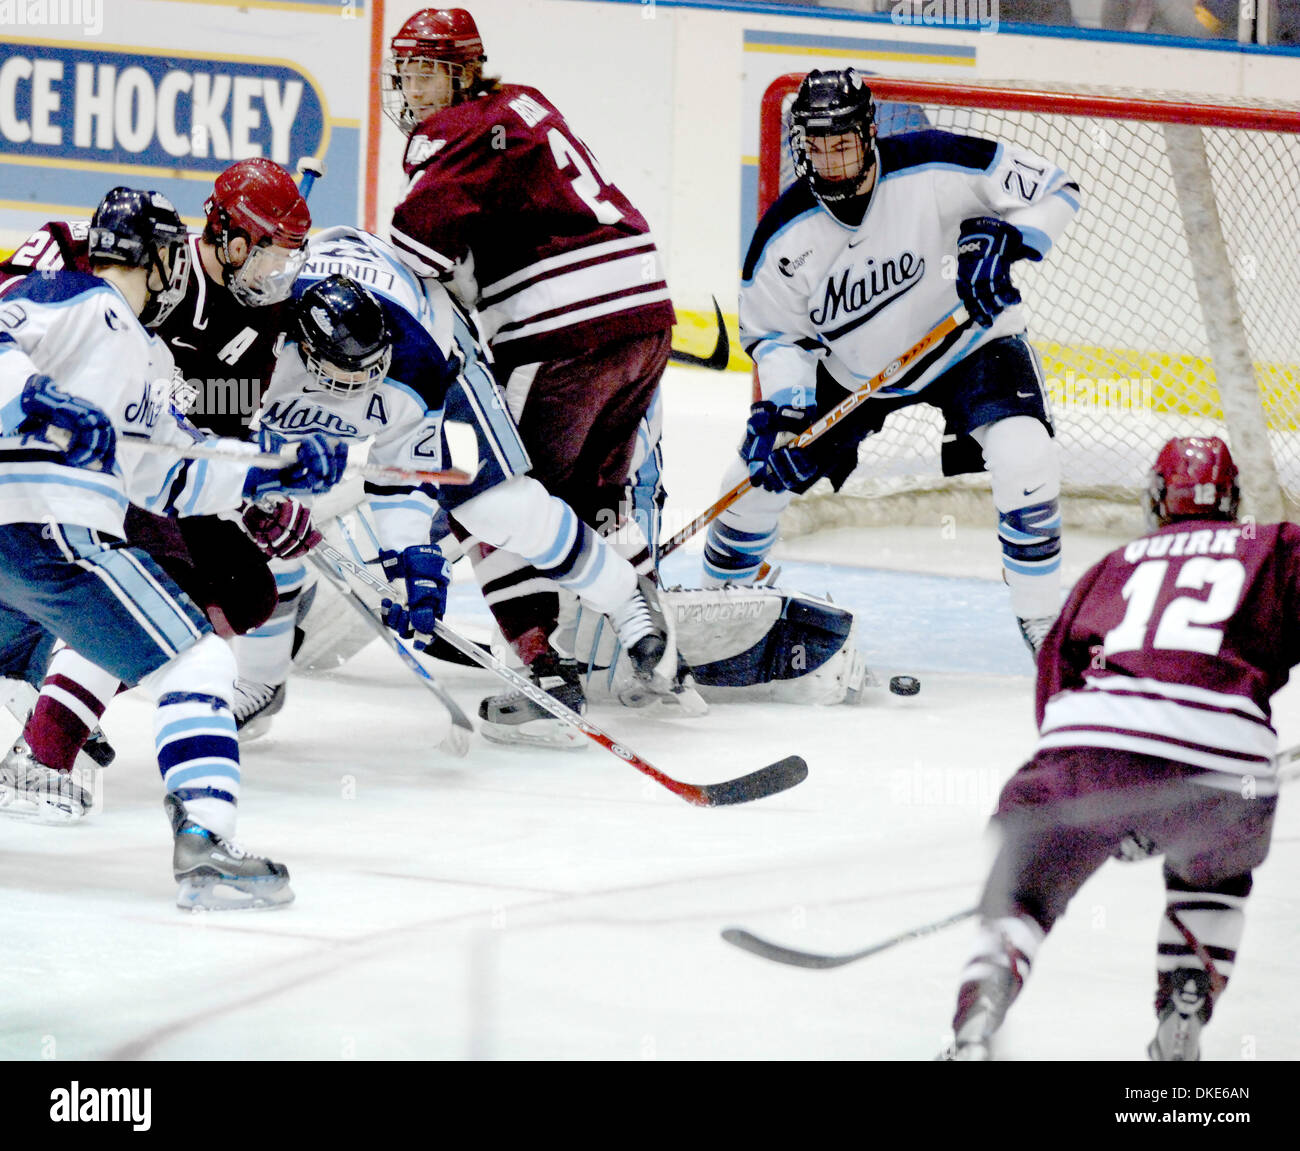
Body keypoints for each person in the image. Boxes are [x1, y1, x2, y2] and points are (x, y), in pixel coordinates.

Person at [0, 186, 346, 910]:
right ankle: (205, 845)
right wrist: (37, 399)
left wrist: (275, 475)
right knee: (200, 658)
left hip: (38, 549)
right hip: (49, 525)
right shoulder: (71, 297)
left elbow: (174, 469)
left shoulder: (150, 361)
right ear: (157, 259)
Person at [705, 68, 1080, 656]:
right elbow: (778, 338)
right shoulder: (783, 237)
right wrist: (783, 410)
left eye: (844, 144)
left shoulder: (935, 161)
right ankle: (717, 613)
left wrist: (1009, 242)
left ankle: (1041, 624)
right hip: (854, 371)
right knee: (750, 481)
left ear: (869, 132)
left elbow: (1056, 189)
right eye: (818, 147)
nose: (832, 161)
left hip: (968, 344)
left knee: (1024, 452)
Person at [382, 7, 685, 736]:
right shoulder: (525, 103)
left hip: (563, 332)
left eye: (425, 72)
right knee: (589, 497)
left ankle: (539, 660)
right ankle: (655, 644)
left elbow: (414, 251)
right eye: (407, 73)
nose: (412, 90)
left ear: (460, 72)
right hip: (646, 320)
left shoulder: (450, 133)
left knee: (488, 494)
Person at [940, 435, 1292, 1060]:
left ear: (1157, 501)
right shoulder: (1276, 545)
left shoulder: (1113, 565)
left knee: (1024, 897)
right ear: (1233, 500)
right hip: (1229, 769)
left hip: (1090, 753)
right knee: (1213, 880)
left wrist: (1110, 809)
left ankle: (976, 1026)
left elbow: (1055, 692)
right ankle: (1184, 1006)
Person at [254, 234, 674, 746]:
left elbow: (400, 478)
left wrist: (413, 565)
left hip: (443, 349)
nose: (364, 385)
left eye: (372, 370)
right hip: (292, 376)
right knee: (262, 523)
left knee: (495, 506)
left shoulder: (412, 357)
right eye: (350, 376)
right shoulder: (258, 345)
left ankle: (624, 594)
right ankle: (257, 683)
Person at [0, 158, 314, 748]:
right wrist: (37, 394)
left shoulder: (262, 319)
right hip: (48, 462)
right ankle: (52, 721)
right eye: (269, 252)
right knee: (162, 574)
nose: (277, 273)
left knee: (247, 587)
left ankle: (58, 671)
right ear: (229, 238)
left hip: (150, 463)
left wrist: (256, 493)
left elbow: (213, 427)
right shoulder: (111, 263)